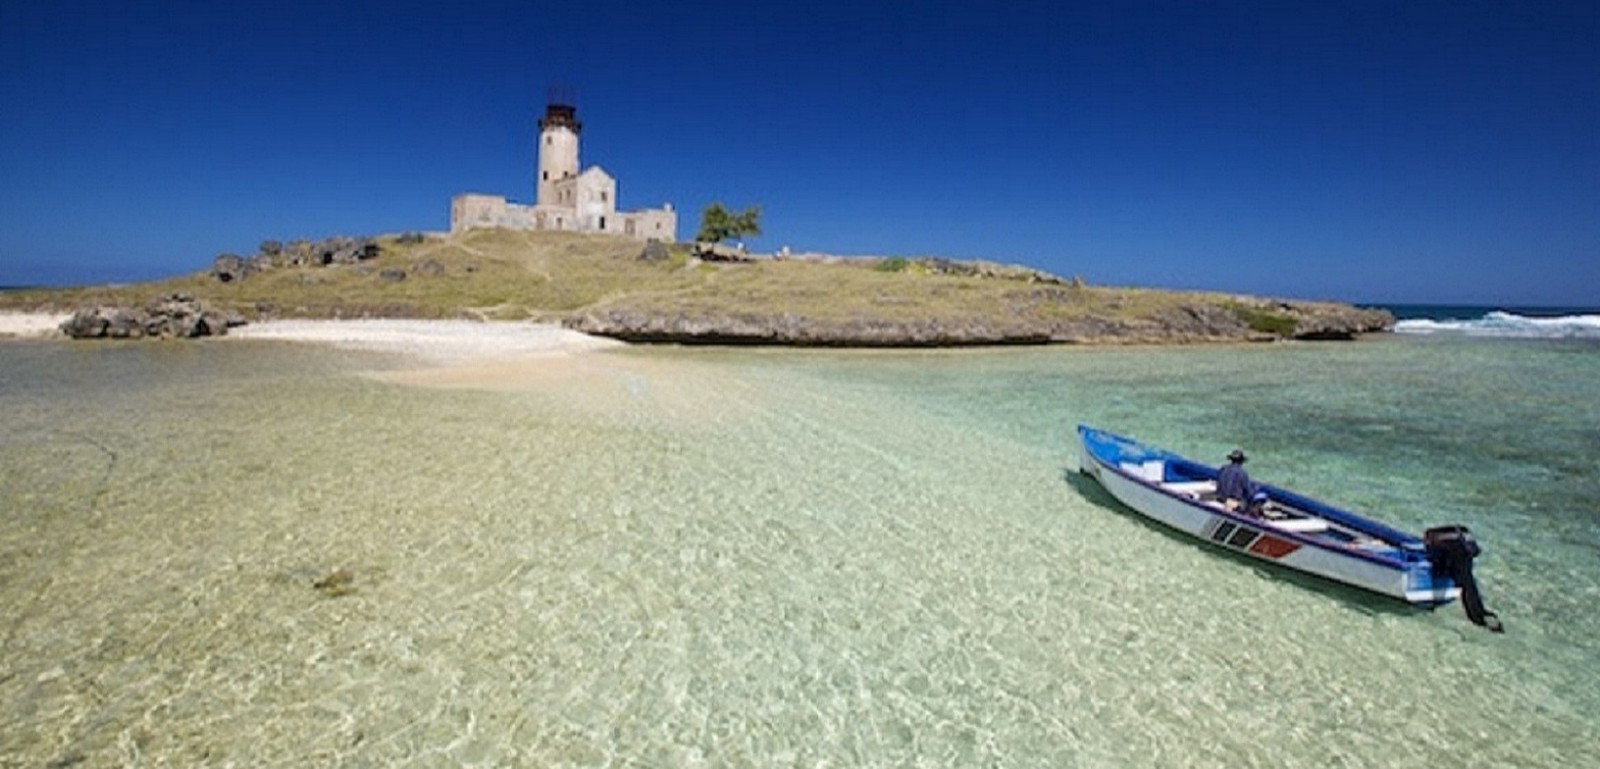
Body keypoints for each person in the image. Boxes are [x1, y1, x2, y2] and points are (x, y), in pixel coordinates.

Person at [1217, 449, 1261, 514]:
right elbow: (1249, 492)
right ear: (1241, 462)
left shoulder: (1223, 469)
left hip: (1221, 498)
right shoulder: (1242, 473)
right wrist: (1256, 488)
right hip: (1234, 502)